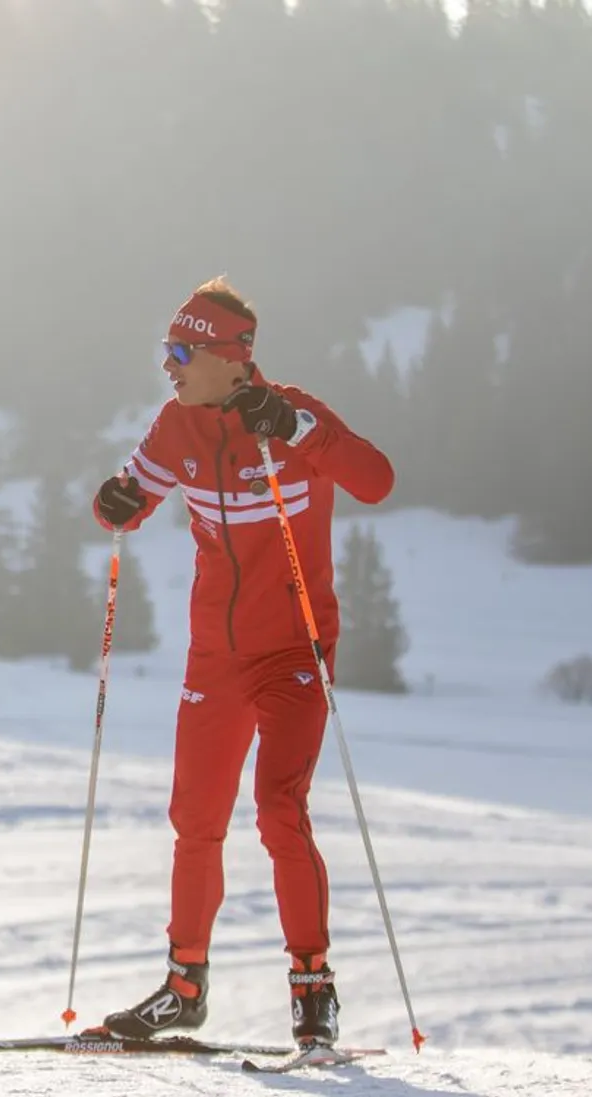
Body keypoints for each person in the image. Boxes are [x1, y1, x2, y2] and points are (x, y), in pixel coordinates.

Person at [90, 277, 394, 1049]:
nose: (170, 365)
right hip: (215, 655)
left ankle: (313, 987)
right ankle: (184, 986)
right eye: (167, 350)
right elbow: (130, 494)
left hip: (294, 648)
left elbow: (377, 479)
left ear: (234, 359)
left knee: (279, 811)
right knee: (195, 817)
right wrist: (113, 503)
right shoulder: (176, 423)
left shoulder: (293, 417)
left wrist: (297, 429)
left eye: (183, 351)